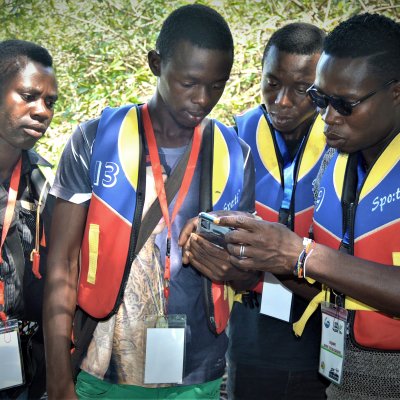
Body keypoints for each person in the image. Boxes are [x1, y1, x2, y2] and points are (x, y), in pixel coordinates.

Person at [43, 4, 255, 400]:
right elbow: (62, 262)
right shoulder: (94, 140)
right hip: (102, 370)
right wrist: (58, 381)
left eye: (217, 85)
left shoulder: (235, 155)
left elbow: (247, 274)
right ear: (156, 64)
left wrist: (230, 266)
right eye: (190, 82)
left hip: (198, 375)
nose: (203, 99)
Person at [216, 13, 400, 399]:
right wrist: (257, 254)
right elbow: (324, 280)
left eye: (344, 104)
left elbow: (309, 258)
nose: (327, 117)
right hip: (338, 377)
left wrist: (300, 253)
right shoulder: (337, 163)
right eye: (320, 99)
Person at [226, 23, 329, 400]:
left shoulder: (348, 144)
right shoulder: (232, 137)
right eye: (272, 83)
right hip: (251, 331)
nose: (282, 101)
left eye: (302, 89)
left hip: (325, 336)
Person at [0, 40, 58, 399]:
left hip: (23, 370)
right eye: (28, 96)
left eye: (50, 102)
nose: (42, 111)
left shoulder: (44, 184)